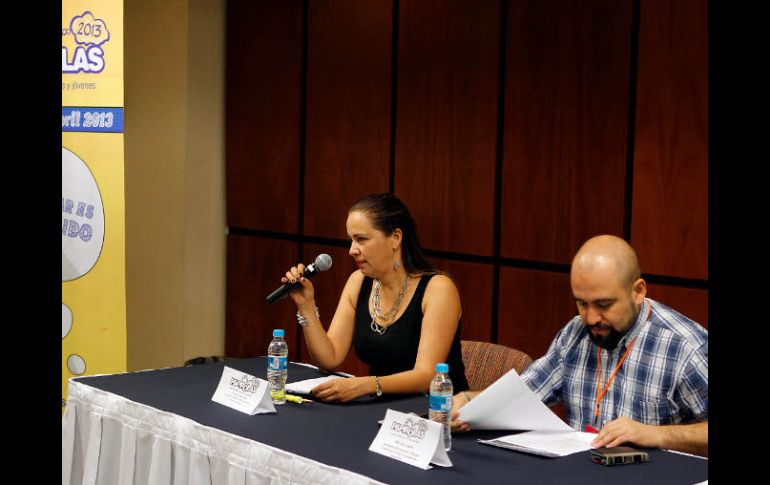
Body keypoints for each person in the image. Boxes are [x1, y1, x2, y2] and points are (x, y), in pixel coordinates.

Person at [451, 235, 708, 457]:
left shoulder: (683, 346)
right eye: (582, 303)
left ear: (638, 291)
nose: (591, 318)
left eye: (604, 305)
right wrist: (467, 401)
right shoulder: (576, 332)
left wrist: (655, 435)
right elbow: (525, 394)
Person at [279, 193, 469, 402]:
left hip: (439, 413)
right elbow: (329, 357)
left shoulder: (438, 289)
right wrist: (306, 306)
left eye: (361, 239)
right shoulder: (358, 281)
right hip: (378, 408)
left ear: (395, 238)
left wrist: (367, 384)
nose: (352, 250)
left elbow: (426, 376)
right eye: (351, 240)